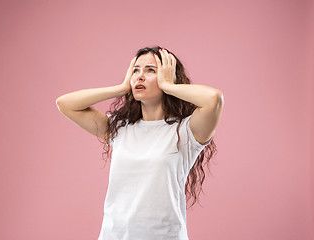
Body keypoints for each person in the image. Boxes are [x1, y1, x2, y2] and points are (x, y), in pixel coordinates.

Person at [56, 46, 224, 240]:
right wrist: (121, 88)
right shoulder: (119, 128)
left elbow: (214, 99)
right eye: (136, 70)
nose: (140, 76)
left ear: (168, 76)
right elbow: (65, 104)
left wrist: (169, 86)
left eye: (151, 70)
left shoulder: (186, 131)